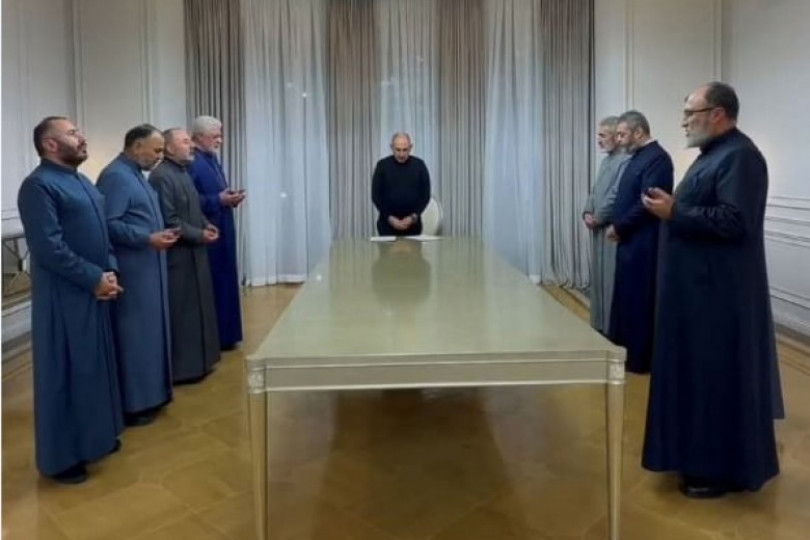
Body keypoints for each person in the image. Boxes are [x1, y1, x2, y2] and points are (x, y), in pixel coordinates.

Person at [641, 82, 782, 497]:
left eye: (691, 112)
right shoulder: (714, 154)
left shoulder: (741, 156)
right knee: (697, 380)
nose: (684, 121)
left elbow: (735, 221)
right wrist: (674, 207)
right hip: (699, 294)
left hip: (719, 298)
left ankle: (720, 470)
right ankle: (694, 456)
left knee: (715, 382)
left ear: (717, 113)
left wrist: (675, 211)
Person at [17, 117, 124, 484]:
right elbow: (48, 247)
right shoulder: (38, 186)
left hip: (95, 288)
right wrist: (94, 277)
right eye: (73, 133)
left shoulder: (82, 181)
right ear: (50, 144)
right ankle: (62, 458)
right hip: (65, 296)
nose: (82, 138)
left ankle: (97, 439)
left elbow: (102, 233)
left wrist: (109, 271)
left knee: (95, 368)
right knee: (65, 374)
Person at [96, 124, 176, 426]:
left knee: (151, 333)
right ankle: (135, 402)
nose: (159, 156)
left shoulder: (135, 175)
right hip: (133, 270)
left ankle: (153, 394)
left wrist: (159, 234)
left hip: (150, 267)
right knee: (135, 336)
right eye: (156, 150)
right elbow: (108, 224)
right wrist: (146, 238)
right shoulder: (116, 176)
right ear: (137, 146)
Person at [149, 128, 221, 383]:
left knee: (200, 308)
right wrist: (199, 234)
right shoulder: (161, 177)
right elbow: (169, 219)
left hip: (195, 252)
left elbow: (194, 209)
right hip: (178, 258)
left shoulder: (182, 172)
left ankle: (204, 361)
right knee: (183, 313)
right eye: (185, 141)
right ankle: (185, 369)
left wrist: (206, 224)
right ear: (169, 148)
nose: (191, 146)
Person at [606, 110, 673, 374]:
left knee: (639, 301)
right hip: (630, 240)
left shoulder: (657, 159)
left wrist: (620, 226)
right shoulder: (638, 157)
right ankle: (624, 352)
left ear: (639, 132)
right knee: (627, 299)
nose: (619, 140)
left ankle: (639, 359)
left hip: (644, 243)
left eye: (622, 134)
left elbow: (647, 203)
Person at [188, 116, 244, 351]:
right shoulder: (192, 162)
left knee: (226, 281)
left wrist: (229, 197)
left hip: (223, 227)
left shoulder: (211, 159)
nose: (220, 140)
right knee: (215, 285)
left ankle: (229, 334)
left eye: (220, 135)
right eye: (215, 136)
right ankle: (217, 337)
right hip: (207, 230)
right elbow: (189, 201)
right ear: (199, 137)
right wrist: (218, 200)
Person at [582, 116, 630, 334]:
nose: (599, 140)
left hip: (610, 227)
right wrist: (587, 211)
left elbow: (615, 195)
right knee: (599, 278)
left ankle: (610, 327)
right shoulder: (605, 161)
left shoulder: (625, 161)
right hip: (597, 226)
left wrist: (598, 217)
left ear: (616, 137)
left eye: (603, 135)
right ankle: (598, 324)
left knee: (610, 278)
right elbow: (595, 191)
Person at [371, 132, 432, 236]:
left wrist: (413, 217)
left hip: (413, 227)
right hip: (387, 226)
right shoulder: (382, 166)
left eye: (405, 150)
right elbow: (376, 196)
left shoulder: (419, 165)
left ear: (410, 148)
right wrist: (390, 218)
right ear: (391, 148)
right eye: (398, 150)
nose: (402, 154)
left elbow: (425, 195)